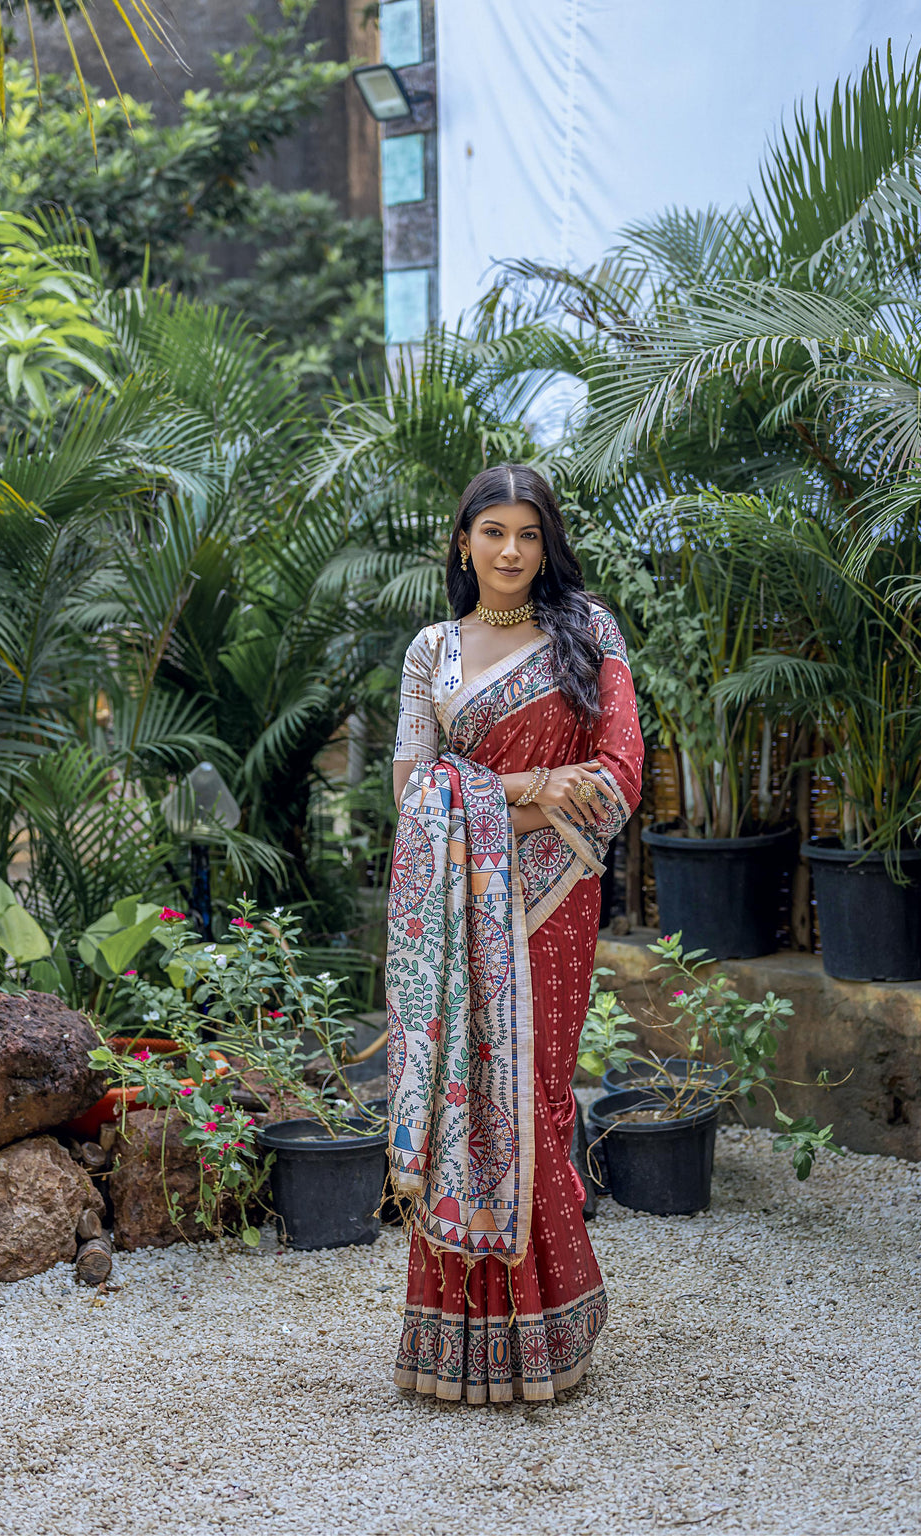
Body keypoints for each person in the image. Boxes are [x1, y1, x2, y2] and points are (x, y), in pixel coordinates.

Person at [386, 462, 645, 1404]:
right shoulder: (431, 653)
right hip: (463, 914)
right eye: (491, 532)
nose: (509, 551)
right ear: (464, 543)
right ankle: (460, 1343)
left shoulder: (588, 633)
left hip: (555, 900)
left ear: (547, 546)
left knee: (533, 1099)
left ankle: (542, 1334)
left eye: (527, 535)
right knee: (470, 1098)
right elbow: (413, 793)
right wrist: (530, 790)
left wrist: (502, 802)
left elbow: (618, 777)